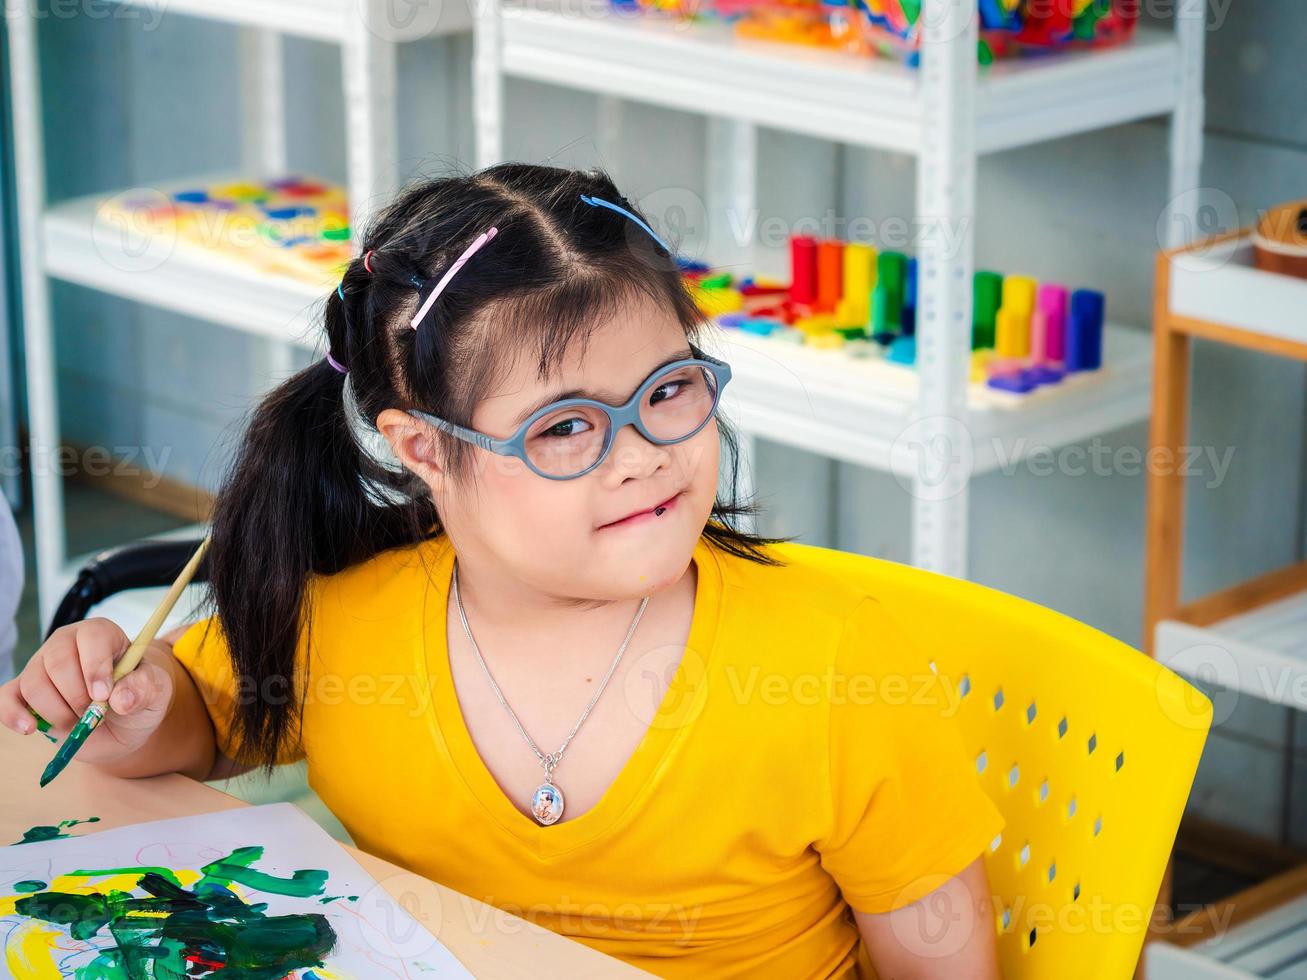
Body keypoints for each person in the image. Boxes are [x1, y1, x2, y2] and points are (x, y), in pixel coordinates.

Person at [0, 163, 1004, 978]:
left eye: (667, 389)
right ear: (422, 449)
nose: (642, 451)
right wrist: (133, 706)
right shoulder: (349, 613)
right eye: (565, 425)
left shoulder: (834, 664)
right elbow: (202, 721)